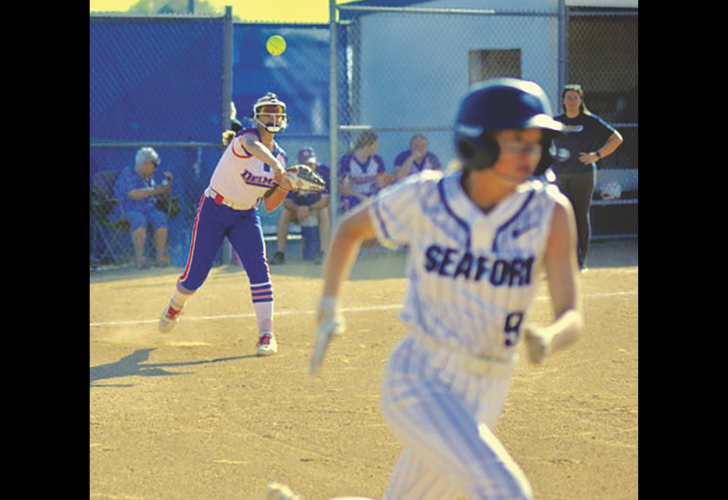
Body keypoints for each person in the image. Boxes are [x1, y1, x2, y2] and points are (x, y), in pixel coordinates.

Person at [267, 78, 584, 500]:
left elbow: (572, 313)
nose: (529, 153)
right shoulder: (429, 197)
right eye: (514, 140)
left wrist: (549, 336)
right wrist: (329, 304)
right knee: (506, 490)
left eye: (535, 141)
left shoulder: (550, 212)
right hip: (420, 377)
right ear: (479, 142)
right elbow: (348, 229)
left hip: (488, 389)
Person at [158, 92, 296, 357]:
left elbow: (269, 205)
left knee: (259, 270)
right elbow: (256, 149)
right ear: (256, 117)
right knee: (194, 277)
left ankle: (266, 335)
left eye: (277, 112)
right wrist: (278, 168)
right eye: (267, 112)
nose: (273, 116)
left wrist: (285, 187)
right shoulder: (245, 138)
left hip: (246, 216)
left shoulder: (281, 157)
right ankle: (175, 306)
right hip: (214, 210)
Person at [550, 83, 623, 270]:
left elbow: (616, 138)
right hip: (560, 175)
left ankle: (580, 261)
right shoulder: (555, 121)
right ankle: (563, 259)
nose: (572, 101)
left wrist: (596, 155)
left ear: (581, 100)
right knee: (562, 216)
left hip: (583, 175)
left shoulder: (590, 121)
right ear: (563, 101)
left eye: (576, 97)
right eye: (568, 97)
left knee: (580, 216)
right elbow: (539, 141)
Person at [112, 147, 173, 269]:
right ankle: (140, 260)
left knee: (160, 218)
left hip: (149, 209)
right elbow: (133, 194)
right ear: (146, 164)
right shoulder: (128, 174)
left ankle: (159, 259)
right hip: (128, 210)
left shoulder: (148, 178)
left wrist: (166, 188)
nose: (155, 169)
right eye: (154, 165)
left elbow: (156, 193)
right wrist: (155, 191)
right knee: (139, 220)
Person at [269, 147, 331, 265]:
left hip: (315, 209)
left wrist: (309, 208)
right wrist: (298, 209)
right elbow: (287, 202)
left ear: (316, 161)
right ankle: (280, 253)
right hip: (298, 211)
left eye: (311, 163)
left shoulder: (323, 172)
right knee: (285, 213)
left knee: (324, 211)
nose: (308, 167)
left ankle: (323, 252)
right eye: (304, 164)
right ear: (298, 164)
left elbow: (325, 200)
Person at [338, 130, 393, 214]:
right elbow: (345, 189)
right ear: (366, 147)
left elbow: (380, 184)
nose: (377, 149)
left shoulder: (377, 160)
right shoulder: (347, 160)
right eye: (375, 146)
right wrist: (362, 197)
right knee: (353, 202)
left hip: (371, 195)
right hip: (354, 196)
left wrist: (377, 197)